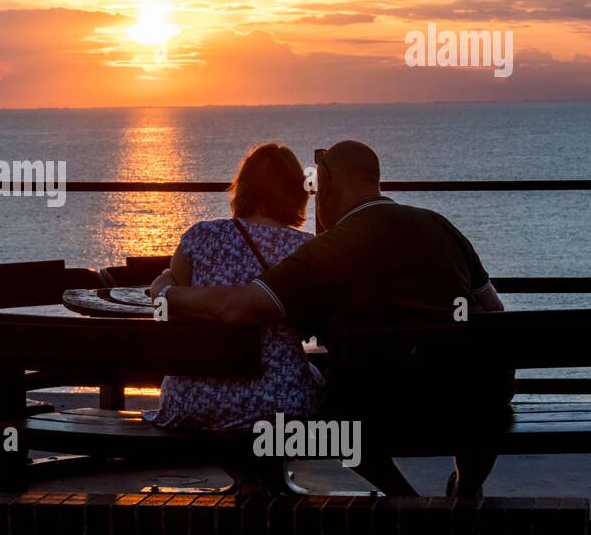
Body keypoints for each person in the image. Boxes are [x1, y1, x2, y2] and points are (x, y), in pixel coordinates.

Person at [153, 140, 508, 498]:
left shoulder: (331, 248)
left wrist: (167, 295)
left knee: (339, 402)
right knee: (479, 389)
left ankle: (404, 499)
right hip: (464, 404)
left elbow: (241, 306)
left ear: (326, 184)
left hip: (373, 411)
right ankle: (467, 488)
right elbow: (492, 313)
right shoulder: (440, 226)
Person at [143, 143, 324, 432]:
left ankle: (248, 478)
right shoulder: (306, 249)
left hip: (191, 400)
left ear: (243, 189)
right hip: (276, 404)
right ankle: (261, 477)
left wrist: (163, 286)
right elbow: (315, 322)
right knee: (317, 378)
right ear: (296, 192)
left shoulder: (199, 237)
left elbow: (168, 311)